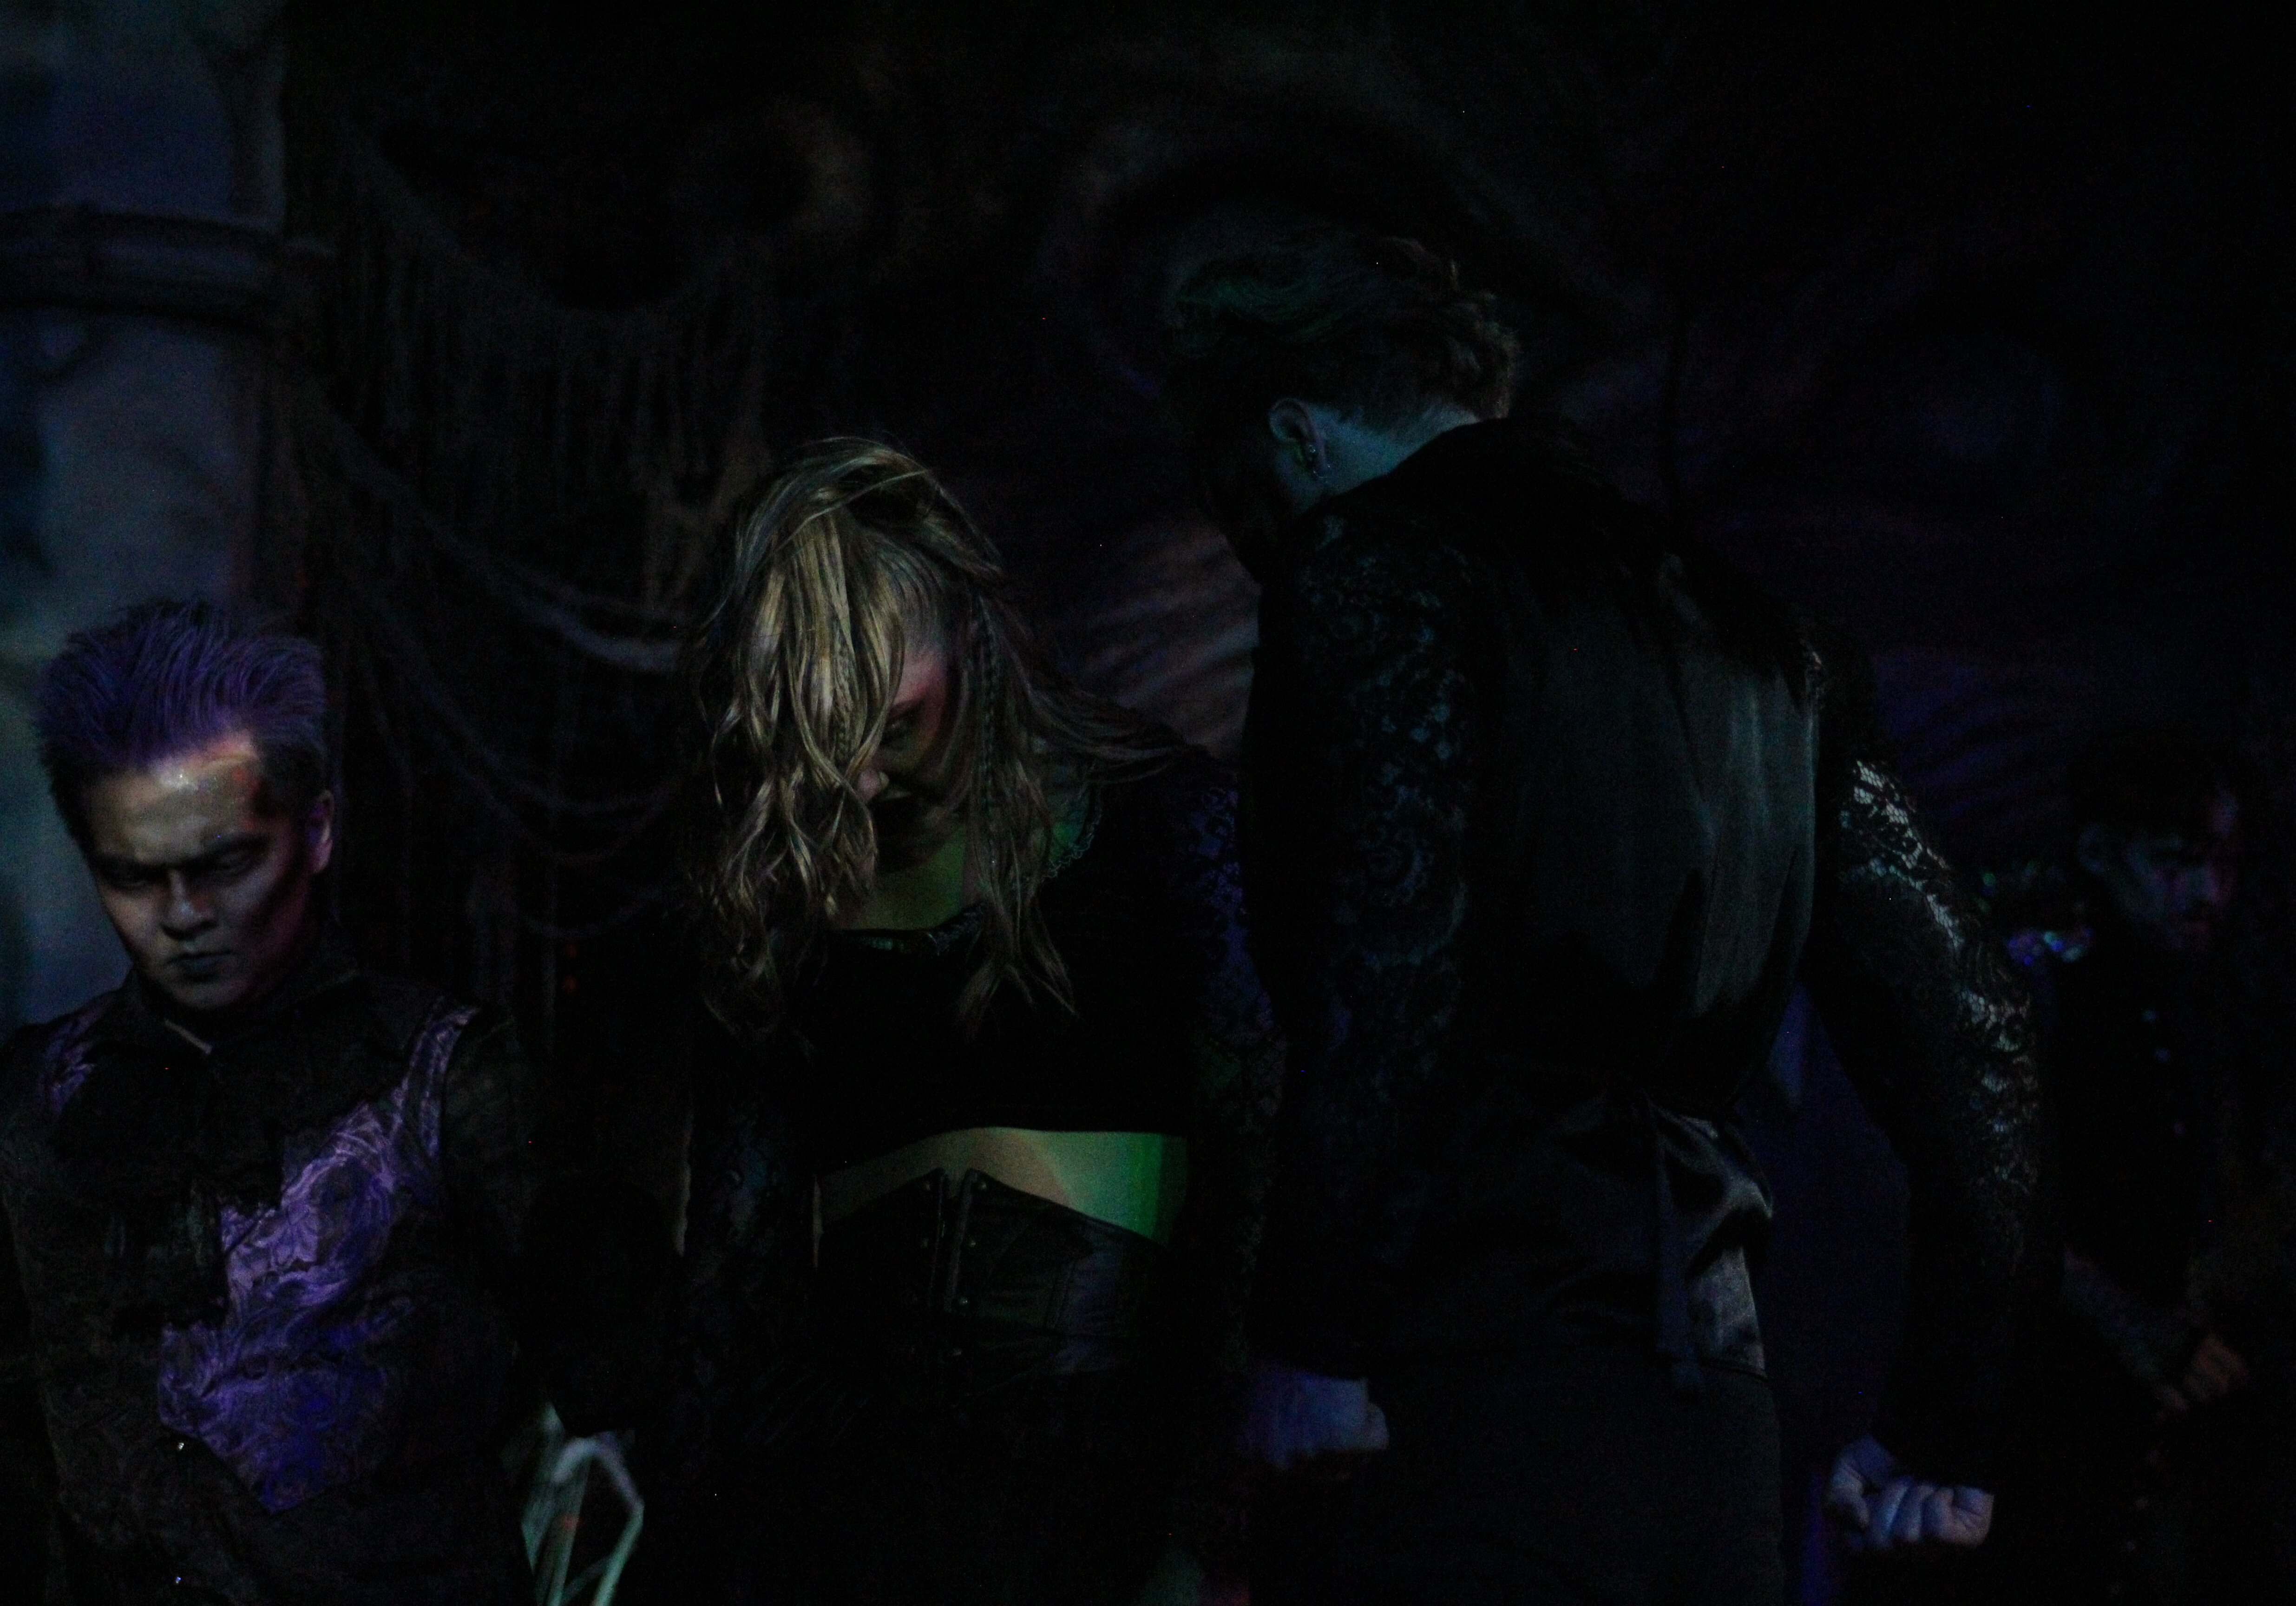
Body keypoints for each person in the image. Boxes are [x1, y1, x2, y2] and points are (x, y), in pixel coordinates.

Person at [1160, 230, 2051, 1605]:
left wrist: (1313, 1339)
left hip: (1452, 1398)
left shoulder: (1375, 568)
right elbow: (1983, 1048)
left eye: (1248, 511)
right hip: (1709, 1431)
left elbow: (1390, 975)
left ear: (1297, 433)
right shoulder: (1776, 648)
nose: (1260, 554)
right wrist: (1944, 1424)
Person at [649, 442, 1281, 1606]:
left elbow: (1263, 1178)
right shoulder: (783, 912)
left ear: (968, 628)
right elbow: (736, 1275)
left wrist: (1215, 1526)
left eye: (889, 725)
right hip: (845, 1510)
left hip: (1111, 1488)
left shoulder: (1164, 831)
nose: (858, 779)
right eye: (817, 736)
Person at [0, 600, 636, 1604]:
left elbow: (637, 1380)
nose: (184, 916)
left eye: (225, 863)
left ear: (318, 829)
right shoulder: (38, 1101)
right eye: (134, 877)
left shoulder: (449, 1080)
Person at [1954, 730, 2274, 1605]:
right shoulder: (2034, 987)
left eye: (2226, 864)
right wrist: (2130, 1323)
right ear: (2101, 852)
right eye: (2178, 862)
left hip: (2149, 1403)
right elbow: (1979, 1200)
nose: (2210, 893)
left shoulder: (2192, 993)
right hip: (2040, 1406)